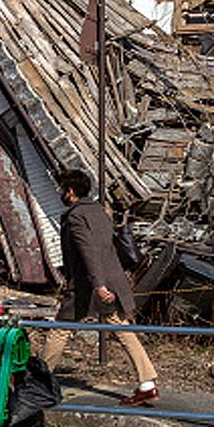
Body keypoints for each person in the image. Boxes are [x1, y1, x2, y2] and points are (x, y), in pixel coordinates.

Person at [38, 169, 159, 405]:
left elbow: (89, 251)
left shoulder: (76, 216)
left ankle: (38, 381)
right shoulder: (99, 211)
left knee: (60, 330)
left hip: (88, 285)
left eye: (62, 189)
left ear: (70, 192)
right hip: (111, 279)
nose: (60, 193)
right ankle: (147, 384)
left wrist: (98, 285)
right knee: (123, 329)